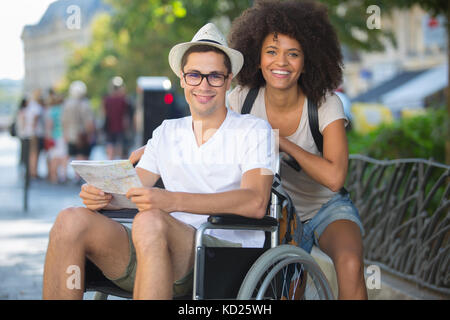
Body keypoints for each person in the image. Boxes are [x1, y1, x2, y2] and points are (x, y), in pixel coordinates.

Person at [42, 23, 275, 300]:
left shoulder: (255, 130)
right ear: (182, 78)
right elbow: (133, 191)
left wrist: (171, 200)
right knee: (70, 220)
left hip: (220, 251)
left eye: (214, 76)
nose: (203, 85)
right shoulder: (167, 131)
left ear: (229, 79)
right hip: (155, 245)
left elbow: (256, 201)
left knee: (150, 220)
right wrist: (105, 197)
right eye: (194, 75)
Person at [227, 0, 367, 299]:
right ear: (256, 56)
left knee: (351, 263)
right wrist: (153, 148)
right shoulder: (240, 101)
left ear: (307, 61)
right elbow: (202, 131)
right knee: (286, 289)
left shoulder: (326, 104)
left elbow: (334, 178)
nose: (281, 62)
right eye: (271, 52)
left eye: (293, 54)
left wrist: (280, 141)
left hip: (326, 208)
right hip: (272, 212)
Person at [62, 81, 96, 163]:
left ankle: (65, 174)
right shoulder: (85, 104)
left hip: (70, 134)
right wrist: (91, 134)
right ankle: (79, 175)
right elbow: (89, 122)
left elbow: (64, 121)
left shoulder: (67, 104)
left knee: (70, 155)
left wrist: (65, 134)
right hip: (82, 135)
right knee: (82, 155)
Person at [103, 76, 130, 160]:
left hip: (110, 127)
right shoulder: (124, 100)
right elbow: (127, 116)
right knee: (121, 148)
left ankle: (110, 163)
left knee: (111, 148)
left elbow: (104, 113)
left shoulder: (107, 99)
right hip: (121, 127)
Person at [45, 91, 68, 183]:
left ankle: (53, 176)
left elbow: (49, 125)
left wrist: (48, 137)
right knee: (63, 157)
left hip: (54, 137)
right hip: (63, 136)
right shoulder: (64, 110)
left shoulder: (51, 111)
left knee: (54, 157)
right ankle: (63, 176)